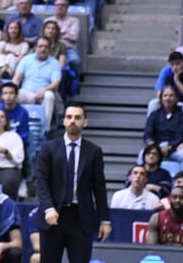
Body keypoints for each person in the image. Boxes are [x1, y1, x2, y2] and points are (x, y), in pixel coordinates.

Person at [33, 104, 110, 263]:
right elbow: (41, 181)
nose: (72, 121)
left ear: (85, 122)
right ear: (64, 121)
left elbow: (99, 187)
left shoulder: (94, 151)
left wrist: (105, 220)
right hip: (53, 216)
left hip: (80, 218)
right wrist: (48, 208)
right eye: (69, 117)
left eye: (77, 117)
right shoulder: (49, 148)